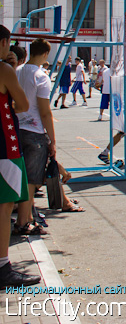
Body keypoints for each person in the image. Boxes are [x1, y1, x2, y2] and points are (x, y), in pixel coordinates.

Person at [0, 26, 42, 286]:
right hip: (4, 144)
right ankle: (3, 266)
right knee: (5, 206)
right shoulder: (3, 70)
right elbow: (23, 104)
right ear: (4, 42)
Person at [14, 39, 58, 235]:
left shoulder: (16, 71)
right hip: (34, 131)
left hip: (14, 129)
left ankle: (27, 217)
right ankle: (23, 222)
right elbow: (45, 111)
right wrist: (52, 139)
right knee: (31, 180)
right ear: (46, 54)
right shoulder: (41, 76)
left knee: (19, 176)